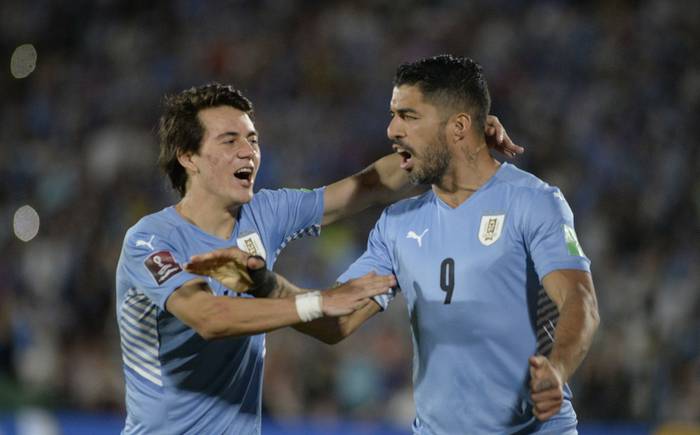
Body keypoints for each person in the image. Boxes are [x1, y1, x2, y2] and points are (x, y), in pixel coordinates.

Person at [189, 55, 599, 434]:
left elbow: (580, 302)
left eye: (407, 115)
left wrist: (557, 370)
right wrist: (264, 285)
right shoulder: (398, 225)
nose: (391, 130)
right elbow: (338, 321)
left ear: (458, 127)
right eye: (392, 115)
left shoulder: (533, 201)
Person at [115, 82, 520, 434]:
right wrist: (317, 302)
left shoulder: (265, 213)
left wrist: (451, 137)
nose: (249, 153)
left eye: (252, 139)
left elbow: (370, 185)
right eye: (230, 141)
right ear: (189, 157)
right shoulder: (149, 241)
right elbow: (209, 318)